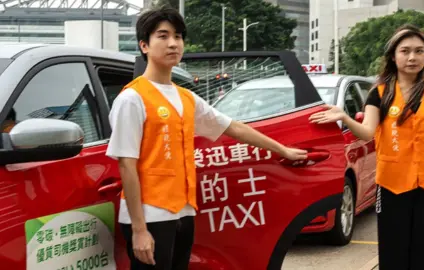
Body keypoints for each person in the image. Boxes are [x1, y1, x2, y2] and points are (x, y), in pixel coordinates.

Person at [105, 6, 308, 270]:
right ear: (144, 45)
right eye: (162, 36)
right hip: (149, 214)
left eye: (178, 37)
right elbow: (126, 164)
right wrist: (139, 229)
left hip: (184, 210)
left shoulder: (186, 98)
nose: (173, 43)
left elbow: (233, 127)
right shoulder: (132, 99)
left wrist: (283, 150)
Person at [309, 25, 424, 270]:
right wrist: (344, 117)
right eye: (405, 51)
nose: (412, 57)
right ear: (393, 56)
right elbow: (367, 132)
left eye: (419, 51)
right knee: (394, 251)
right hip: (393, 185)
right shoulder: (380, 93)